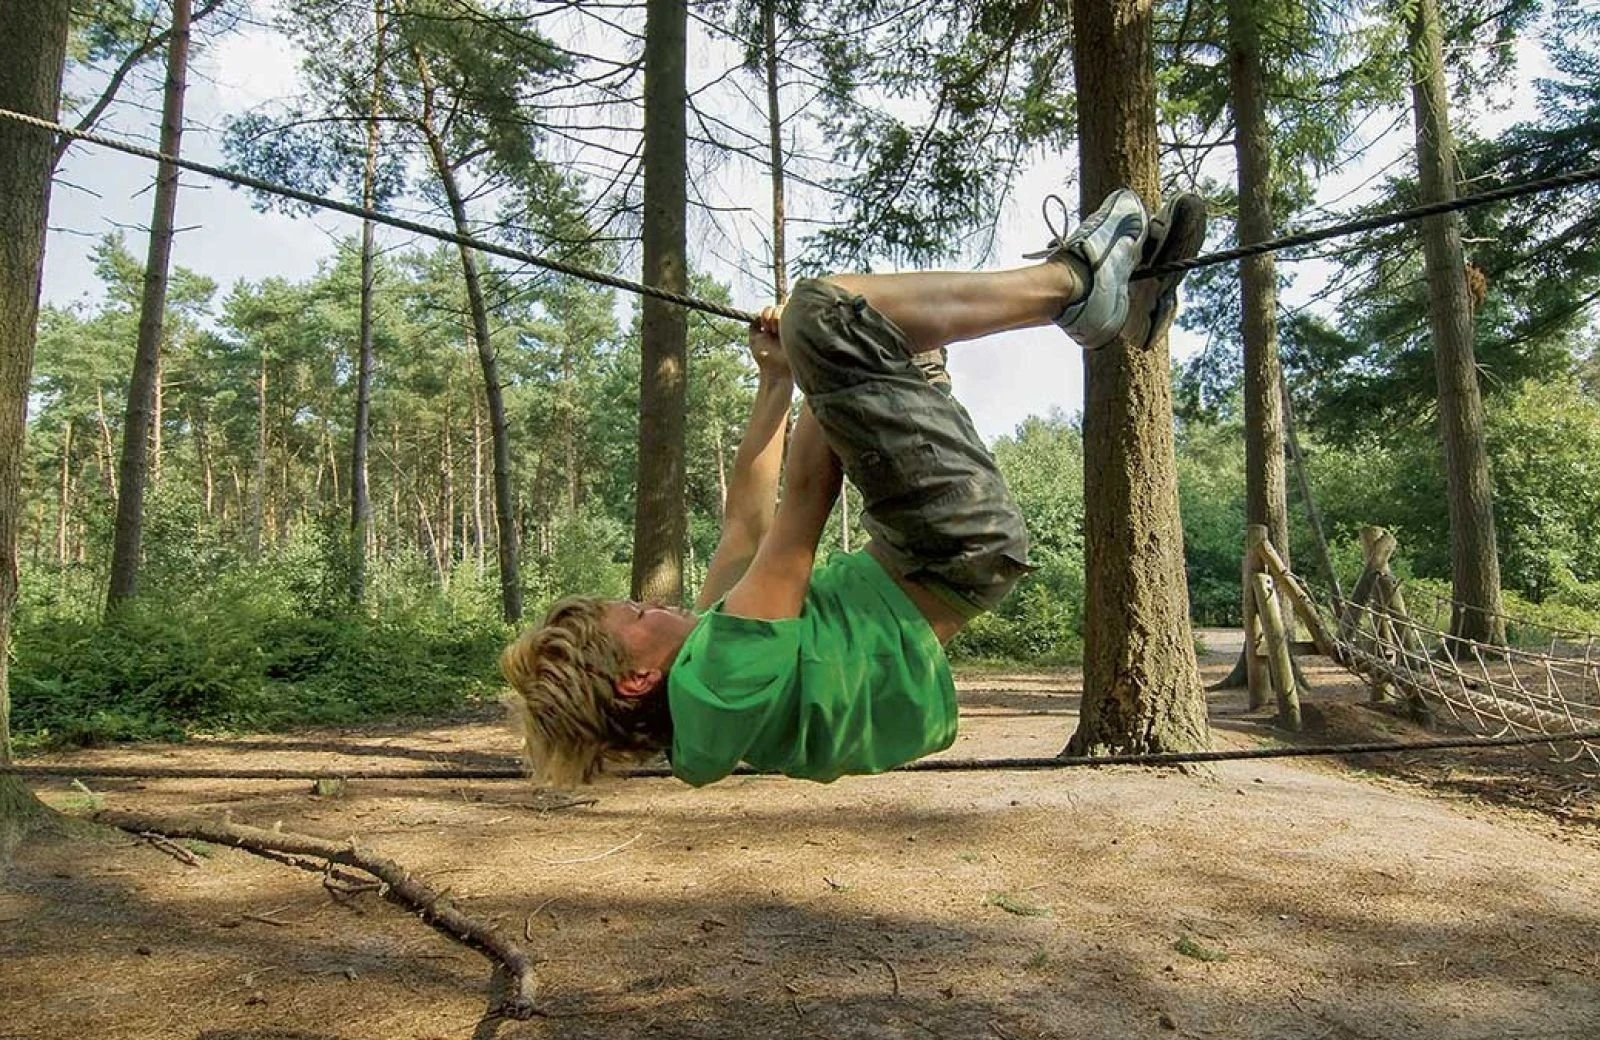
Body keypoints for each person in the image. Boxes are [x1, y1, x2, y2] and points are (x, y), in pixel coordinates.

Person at [501, 187, 1207, 787]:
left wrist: (775, 381)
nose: (648, 604)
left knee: (886, 326)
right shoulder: (719, 671)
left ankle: (1136, 299)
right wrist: (815, 363)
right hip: (947, 543)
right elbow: (802, 506)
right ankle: (1073, 287)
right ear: (636, 679)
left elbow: (746, 522)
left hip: (934, 542)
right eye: (634, 615)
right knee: (826, 310)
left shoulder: (709, 683)